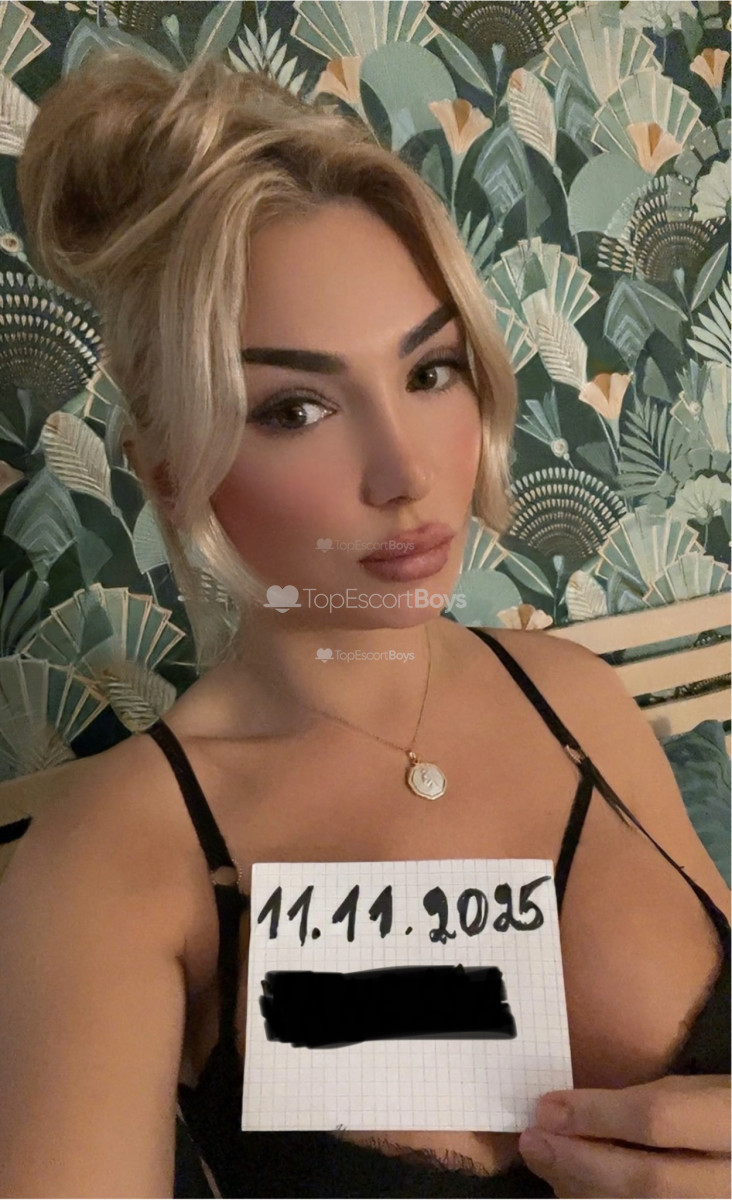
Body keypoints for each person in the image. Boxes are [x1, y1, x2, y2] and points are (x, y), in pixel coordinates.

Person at [0, 47, 728, 1200]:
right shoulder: (112, 859)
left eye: (430, 372)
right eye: (296, 408)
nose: (407, 474)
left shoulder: (577, 696)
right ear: (173, 472)